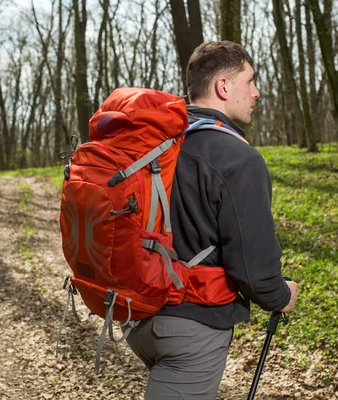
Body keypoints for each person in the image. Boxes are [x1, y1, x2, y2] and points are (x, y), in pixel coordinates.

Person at [124, 41, 299, 400]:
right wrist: (282, 295)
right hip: (191, 326)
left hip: (137, 313)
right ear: (223, 86)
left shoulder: (157, 144)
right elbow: (255, 271)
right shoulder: (239, 159)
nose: (257, 92)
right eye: (249, 81)